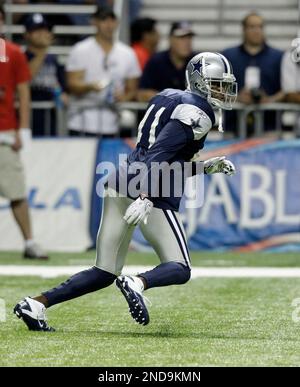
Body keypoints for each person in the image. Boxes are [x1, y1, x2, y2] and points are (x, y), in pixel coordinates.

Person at [14, 51, 237, 331]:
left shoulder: (168, 95)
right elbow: (159, 155)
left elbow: (162, 155)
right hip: (150, 189)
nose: (222, 91)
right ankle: (137, 282)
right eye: (217, 83)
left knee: (103, 271)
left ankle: (36, 304)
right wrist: (145, 195)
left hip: (121, 179)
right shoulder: (198, 112)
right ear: (200, 81)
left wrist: (204, 168)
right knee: (180, 268)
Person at [0, 6, 48, 260]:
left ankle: (29, 241)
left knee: (16, 191)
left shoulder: (12, 53)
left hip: (4, 129)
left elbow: (23, 91)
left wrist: (24, 128)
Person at [66, 6, 141, 137]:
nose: (108, 25)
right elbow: (72, 85)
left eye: (112, 20)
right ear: (94, 22)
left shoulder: (127, 53)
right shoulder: (80, 50)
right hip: (82, 122)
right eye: (104, 20)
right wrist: (90, 86)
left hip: (114, 124)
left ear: (117, 23)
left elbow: (132, 88)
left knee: (111, 158)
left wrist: (123, 97)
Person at [222, 12, 284, 133]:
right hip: (233, 127)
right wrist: (237, 98)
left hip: (269, 127)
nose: (257, 31)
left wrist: (269, 100)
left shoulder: (278, 57)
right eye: (252, 27)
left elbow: (286, 90)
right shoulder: (228, 56)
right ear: (243, 29)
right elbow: (216, 89)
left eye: (260, 27)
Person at [24, 13, 67, 136]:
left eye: (45, 29)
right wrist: (43, 50)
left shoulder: (54, 60)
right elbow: (27, 77)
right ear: (27, 35)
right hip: (28, 119)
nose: (43, 33)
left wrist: (63, 94)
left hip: (50, 120)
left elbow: (62, 87)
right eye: (37, 30)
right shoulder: (21, 57)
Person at [138, 21, 195, 102]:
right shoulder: (156, 61)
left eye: (189, 38)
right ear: (170, 39)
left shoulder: (197, 62)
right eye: (181, 38)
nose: (187, 42)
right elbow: (142, 93)